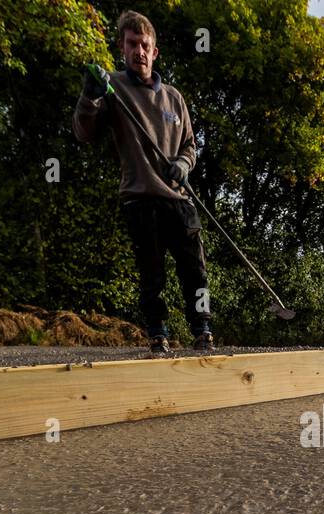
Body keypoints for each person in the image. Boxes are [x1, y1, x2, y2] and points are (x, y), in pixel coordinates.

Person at [73, 10, 213, 353]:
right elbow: (84, 133)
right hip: (140, 198)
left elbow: (190, 146)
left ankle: (202, 330)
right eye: (132, 44)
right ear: (123, 48)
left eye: (144, 45)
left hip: (179, 200)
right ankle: (158, 334)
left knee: (195, 272)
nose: (138, 51)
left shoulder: (174, 98)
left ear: (154, 52)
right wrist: (89, 98)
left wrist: (183, 162)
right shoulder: (113, 88)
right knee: (152, 277)